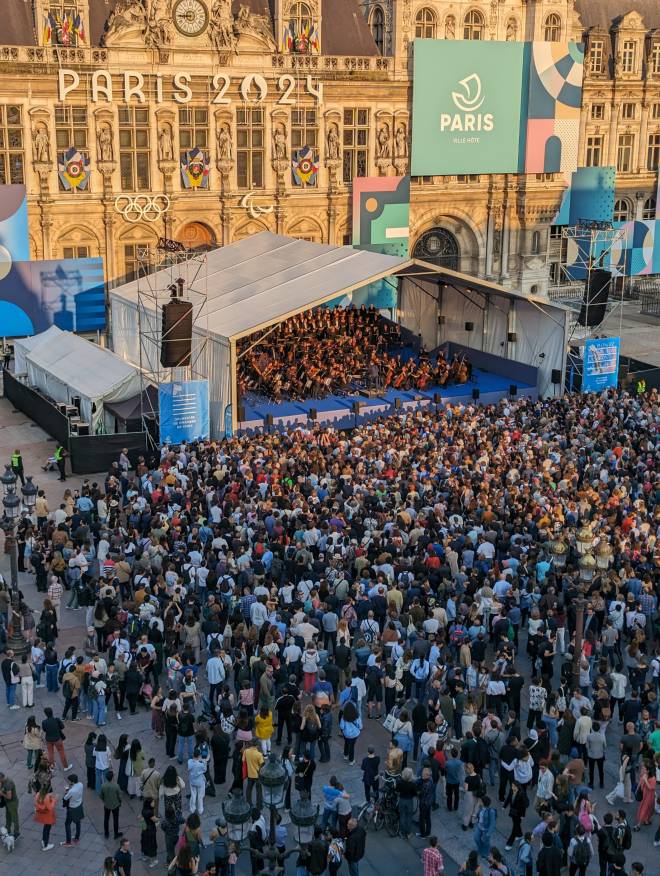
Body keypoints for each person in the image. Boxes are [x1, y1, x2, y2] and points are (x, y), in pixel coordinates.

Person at [61, 773, 84, 846]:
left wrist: (66, 791)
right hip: (79, 805)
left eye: (69, 781)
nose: (69, 782)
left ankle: (68, 842)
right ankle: (77, 837)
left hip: (72, 808)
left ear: (72, 782)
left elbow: (65, 798)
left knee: (67, 824)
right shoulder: (81, 784)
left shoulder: (72, 791)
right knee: (78, 822)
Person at [100, 769, 123, 840]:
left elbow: (101, 796)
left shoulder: (103, 785)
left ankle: (106, 833)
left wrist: (104, 800)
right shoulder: (116, 786)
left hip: (107, 805)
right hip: (115, 805)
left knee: (106, 819)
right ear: (112, 777)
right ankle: (116, 834)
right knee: (115, 819)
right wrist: (120, 802)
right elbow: (120, 796)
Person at [34, 784, 57, 851]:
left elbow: (36, 803)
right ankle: (45, 845)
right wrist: (54, 800)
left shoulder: (38, 794)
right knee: (47, 829)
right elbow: (50, 807)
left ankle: (43, 840)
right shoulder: (46, 797)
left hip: (41, 814)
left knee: (45, 828)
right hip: (48, 815)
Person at [140, 797, 159, 868]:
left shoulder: (144, 810)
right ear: (149, 804)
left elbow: (141, 818)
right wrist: (158, 819)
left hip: (144, 829)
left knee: (144, 842)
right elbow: (155, 820)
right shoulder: (150, 812)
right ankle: (153, 861)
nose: (154, 803)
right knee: (152, 844)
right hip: (150, 830)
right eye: (153, 802)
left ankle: (144, 856)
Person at [0, 772, 20, 837]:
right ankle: (7, 829)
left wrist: (1, 793)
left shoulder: (8, 784)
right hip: (8, 803)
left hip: (12, 803)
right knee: (8, 816)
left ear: (1, 778)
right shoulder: (3, 781)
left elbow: (9, 797)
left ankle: (17, 832)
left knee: (14, 818)